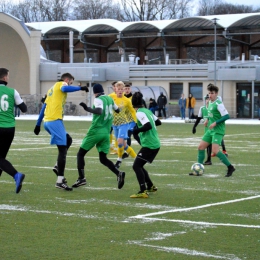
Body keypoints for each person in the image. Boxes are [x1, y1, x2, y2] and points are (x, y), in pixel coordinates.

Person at [33, 72, 89, 191]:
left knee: (68, 140)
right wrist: (81, 87)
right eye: (71, 82)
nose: (70, 84)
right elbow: (65, 87)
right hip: (54, 120)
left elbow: (44, 107)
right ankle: (60, 180)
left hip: (48, 121)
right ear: (67, 79)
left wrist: (38, 124)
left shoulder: (51, 89)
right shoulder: (61, 84)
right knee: (62, 150)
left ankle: (58, 166)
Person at [71, 83, 126, 189]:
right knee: (103, 158)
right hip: (106, 132)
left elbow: (99, 111)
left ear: (95, 93)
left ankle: (81, 178)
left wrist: (87, 108)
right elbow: (118, 110)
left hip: (96, 130)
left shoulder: (98, 99)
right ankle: (118, 173)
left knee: (80, 154)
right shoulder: (110, 99)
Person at [189, 84, 235, 177]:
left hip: (218, 130)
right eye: (209, 93)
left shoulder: (218, 104)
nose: (210, 95)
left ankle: (230, 167)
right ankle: (199, 168)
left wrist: (216, 123)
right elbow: (211, 115)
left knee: (215, 151)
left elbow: (227, 116)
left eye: (212, 93)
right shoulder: (209, 103)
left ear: (216, 94)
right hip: (210, 130)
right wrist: (207, 120)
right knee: (201, 147)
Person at [0, 68, 27, 193]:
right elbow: (24, 108)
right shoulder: (13, 91)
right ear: (5, 78)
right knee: (1, 158)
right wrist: (15, 104)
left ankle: (16, 175)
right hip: (10, 129)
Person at [130, 92, 162, 198]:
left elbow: (147, 125)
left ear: (132, 104)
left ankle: (143, 191)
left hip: (150, 144)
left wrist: (137, 131)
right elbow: (158, 122)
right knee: (140, 165)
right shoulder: (147, 111)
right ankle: (150, 186)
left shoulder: (139, 113)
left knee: (136, 166)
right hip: (154, 143)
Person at [111, 81, 137, 169]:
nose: (121, 91)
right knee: (124, 145)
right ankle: (136, 158)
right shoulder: (110, 97)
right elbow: (104, 104)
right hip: (114, 124)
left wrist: (136, 121)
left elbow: (133, 111)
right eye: (119, 89)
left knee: (119, 141)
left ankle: (119, 160)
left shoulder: (126, 100)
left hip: (123, 124)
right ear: (115, 89)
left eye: (122, 89)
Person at [192, 94, 212, 165]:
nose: (208, 100)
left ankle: (209, 160)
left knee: (210, 145)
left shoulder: (213, 108)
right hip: (206, 129)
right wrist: (194, 127)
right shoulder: (202, 108)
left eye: (209, 99)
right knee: (208, 145)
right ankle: (208, 160)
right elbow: (199, 118)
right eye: (206, 99)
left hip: (213, 129)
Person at [108, 81, 118, 155]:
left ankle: (118, 149)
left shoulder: (123, 96)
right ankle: (112, 148)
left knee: (118, 135)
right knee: (109, 133)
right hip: (111, 118)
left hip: (121, 120)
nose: (115, 88)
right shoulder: (110, 96)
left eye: (116, 86)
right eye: (114, 86)